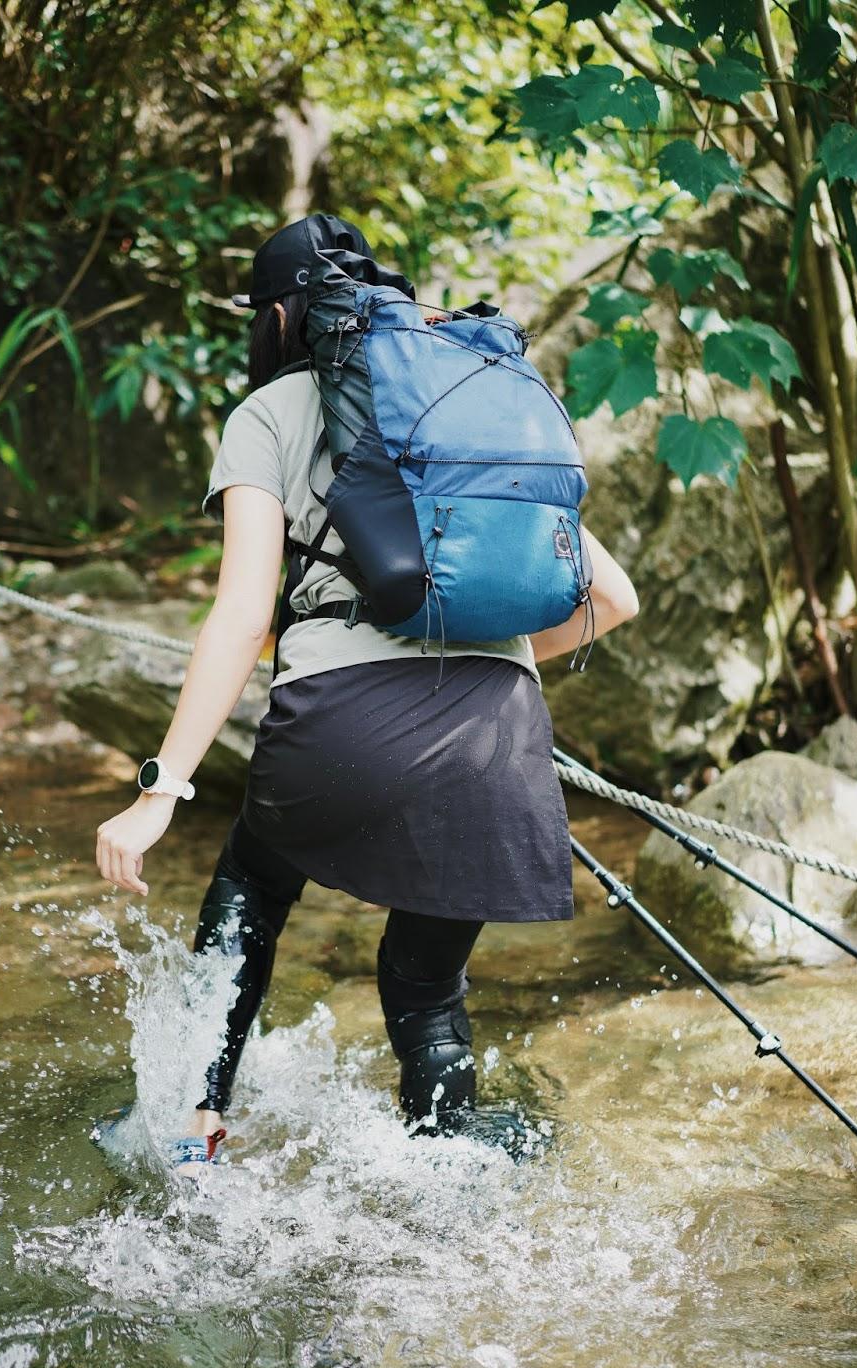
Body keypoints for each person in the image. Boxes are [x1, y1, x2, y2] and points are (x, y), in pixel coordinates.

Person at [95, 213, 639, 1168]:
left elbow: (242, 617)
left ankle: (194, 1129)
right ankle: (447, 1159)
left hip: (340, 727)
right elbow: (614, 600)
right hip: (501, 744)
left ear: (277, 317)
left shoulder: (272, 411)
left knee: (252, 888)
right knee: (425, 987)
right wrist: (481, 663)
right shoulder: (472, 397)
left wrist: (159, 792)